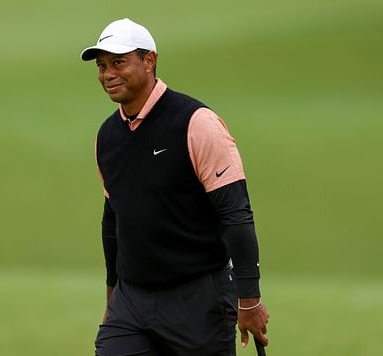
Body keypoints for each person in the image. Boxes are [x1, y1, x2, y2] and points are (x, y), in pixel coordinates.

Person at [81, 18, 269, 356]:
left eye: (119, 62)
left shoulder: (196, 123)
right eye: (102, 65)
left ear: (149, 61)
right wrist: (113, 297)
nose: (107, 74)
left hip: (198, 299)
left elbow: (236, 214)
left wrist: (249, 298)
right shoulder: (107, 137)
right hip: (132, 301)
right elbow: (114, 221)